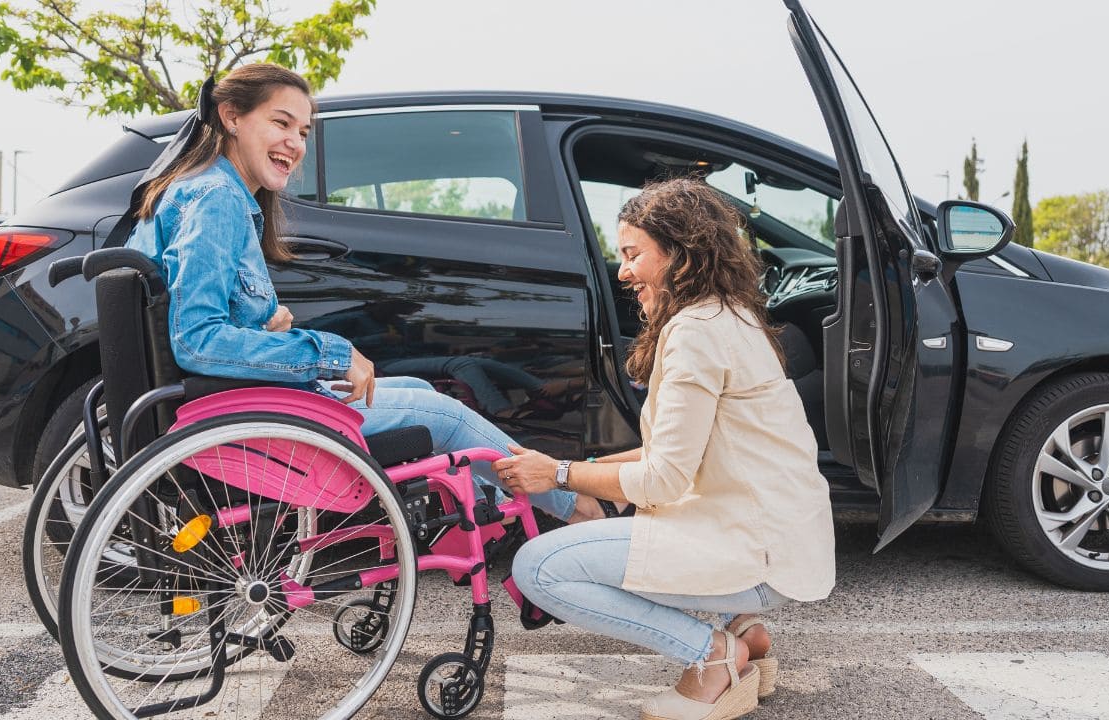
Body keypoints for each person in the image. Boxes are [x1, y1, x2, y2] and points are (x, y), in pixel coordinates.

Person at [124, 63, 606, 523]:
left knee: (419, 389)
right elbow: (197, 340)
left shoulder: (213, 195)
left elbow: (202, 323)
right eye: (281, 123)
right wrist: (331, 353)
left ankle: (483, 518)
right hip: (241, 409)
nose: (294, 143)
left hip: (242, 397)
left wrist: (264, 327)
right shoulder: (216, 198)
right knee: (445, 414)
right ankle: (576, 508)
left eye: (304, 133)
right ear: (232, 118)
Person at [495, 178, 836, 720]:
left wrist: (557, 475)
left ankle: (716, 656)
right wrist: (581, 471)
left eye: (633, 255)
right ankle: (745, 630)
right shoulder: (730, 316)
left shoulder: (695, 332)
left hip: (757, 555)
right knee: (596, 544)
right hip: (781, 543)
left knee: (541, 568)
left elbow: (663, 480)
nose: (624, 272)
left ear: (681, 255)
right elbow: (669, 454)